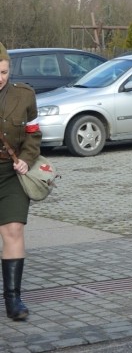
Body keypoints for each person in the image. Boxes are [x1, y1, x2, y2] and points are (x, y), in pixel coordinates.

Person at [0, 43, 40, 321]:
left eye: (3, 71)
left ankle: (13, 299)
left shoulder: (24, 96)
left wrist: (26, 157)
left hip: (11, 173)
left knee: (13, 230)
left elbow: (33, 134)